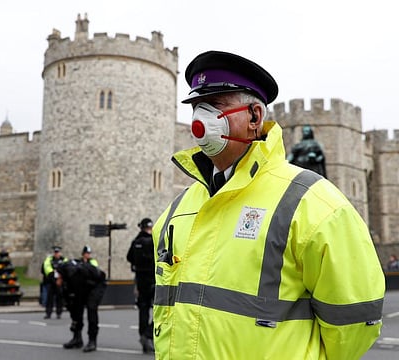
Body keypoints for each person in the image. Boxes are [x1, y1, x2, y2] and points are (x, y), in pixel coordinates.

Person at [152, 50, 385, 359]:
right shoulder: (178, 208)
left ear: (254, 117)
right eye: (196, 106)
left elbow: (354, 322)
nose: (200, 118)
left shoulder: (314, 202)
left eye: (215, 105)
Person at [59, 246, 107, 352]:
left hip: (96, 286)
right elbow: (70, 301)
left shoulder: (75, 273)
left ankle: (92, 341)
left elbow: (99, 276)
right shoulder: (67, 277)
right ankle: (77, 338)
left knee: (91, 309)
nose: (58, 281)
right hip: (83, 287)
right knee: (76, 309)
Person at [127, 218, 155, 353]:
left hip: (140, 280)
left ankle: (144, 338)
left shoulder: (136, 242)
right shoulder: (153, 241)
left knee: (143, 311)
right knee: (161, 311)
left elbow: (129, 258)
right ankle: (148, 335)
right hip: (153, 280)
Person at [42, 246, 67, 319]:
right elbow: (47, 268)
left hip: (60, 281)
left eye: (58, 252)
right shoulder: (49, 260)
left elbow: (66, 268)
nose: (57, 254)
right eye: (55, 252)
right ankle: (48, 313)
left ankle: (59, 313)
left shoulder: (63, 260)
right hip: (51, 281)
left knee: (59, 298)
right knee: (49, 298)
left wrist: (60, 276)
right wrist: (53, 275)